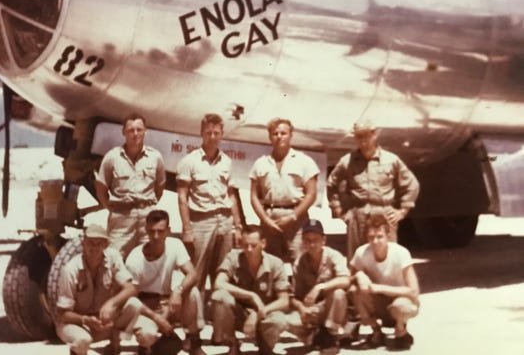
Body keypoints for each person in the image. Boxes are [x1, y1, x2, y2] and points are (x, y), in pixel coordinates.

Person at [327, 119, 420, 259]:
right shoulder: (347, 161)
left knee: (387, 260)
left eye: (366, 135)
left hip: (384, 215)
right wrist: (339, 210)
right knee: (358, 261)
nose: (362, 140)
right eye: (358, 136)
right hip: (358, 218)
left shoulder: (391, 160)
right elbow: (331, 184)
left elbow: (412, 185)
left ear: (375, 134)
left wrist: (402, 211)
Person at [177, 113, 243, 292]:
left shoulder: (227, 162)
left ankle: (218, 316)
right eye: (208, 133)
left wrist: (237, 226)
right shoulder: (189, 161)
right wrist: (187, 229)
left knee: (223, 271)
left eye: (216, 133)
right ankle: (195, 317)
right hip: (201, 222)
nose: (212, 137)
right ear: (201, 133)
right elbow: (182, 197)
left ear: (222, 134)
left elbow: (231, 195)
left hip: (225, 221)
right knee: (197, 272)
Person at [126, 209, 205, 355]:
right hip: (146, 305)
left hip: (169, 301)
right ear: (146, 230)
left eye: (160, 231)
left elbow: (193, 274)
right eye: (151, 231)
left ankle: (194, 342)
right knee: (146, 335)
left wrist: (178, 291)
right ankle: (147, 347)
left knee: (192, 292)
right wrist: (157, 318)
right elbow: (131, 296)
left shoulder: (175, 245)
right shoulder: (135, 258)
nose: (156, 236)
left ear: (168, 231)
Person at [54, 224, 142, 355]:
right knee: (82, 340)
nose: (94, 247)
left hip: (102, 321)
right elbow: (63, 314)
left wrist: (111, 303)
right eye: (90, 243)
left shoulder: (113, 257)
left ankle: (115, 340)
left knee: (135, 305)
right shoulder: (70, 270)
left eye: (99, 243)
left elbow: (131, 288)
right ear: (83, 243)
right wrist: (84, 320)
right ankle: (77, 351)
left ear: (106, 245)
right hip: (76, 322)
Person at [211, 225, 291, 355]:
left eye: (253, 245)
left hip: (264, 314)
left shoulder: (275, 263)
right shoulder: (233, 257)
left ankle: (265, 346)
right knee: (219, 297)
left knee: (279, 320)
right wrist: (251, 295)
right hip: (239, 313)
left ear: (263, 243)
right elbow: (218, 284)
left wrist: (259, 312)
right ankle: (232, 344)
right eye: (245, 245)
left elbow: (284, 301)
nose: (249, 249)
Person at [96, 113, 166, 258]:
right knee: (115, 259)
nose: (135, 134)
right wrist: (114, 208)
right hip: (121, 218)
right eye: (130, 130)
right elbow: (101, 189)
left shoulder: (155, 157)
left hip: (147, 218)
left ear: (145, 131)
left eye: (139, 130)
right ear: (123, 132)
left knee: (148, 259)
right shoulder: (112, 158)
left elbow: (159, 188)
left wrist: (146, 206)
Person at [249, 117, 319, 262]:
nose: (279, 137)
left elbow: (311, 194)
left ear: (291, 135)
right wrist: (265, 219)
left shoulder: (304, 161)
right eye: (275, 134)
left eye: (283, 133)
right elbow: (254, 196)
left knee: (300, 261)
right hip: (270, 219)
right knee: (270, 263)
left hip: (296, 219)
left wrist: (292, 216)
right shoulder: (260, 163)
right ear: (270, 137)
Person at [350, 213, 420, 351]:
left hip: (398, 300)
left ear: (388, 236)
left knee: (402, 307)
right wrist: (358, 275)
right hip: (377, 302)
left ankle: (401, 331)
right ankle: (376, 331)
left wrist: (379, 288)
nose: (375, 241)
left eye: (380, 237)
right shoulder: (361, 253)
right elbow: (349, 278)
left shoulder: (401, 253)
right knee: (355, 291)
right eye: (371, 237)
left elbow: (413, 291)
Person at [286, 219, 351, 354]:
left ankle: (331, 336)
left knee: (338, 293)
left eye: (315, 239)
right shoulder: (300, 262)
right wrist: (302, 308)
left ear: (324, 240)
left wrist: (319, 287)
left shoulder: (333, 256)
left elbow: (345, 280)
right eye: (308, 240)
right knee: (288, 322)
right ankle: (317, 334)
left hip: (333, 307)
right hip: (314, 309)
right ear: (303, 242)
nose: (312, 244)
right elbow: (294, 296)